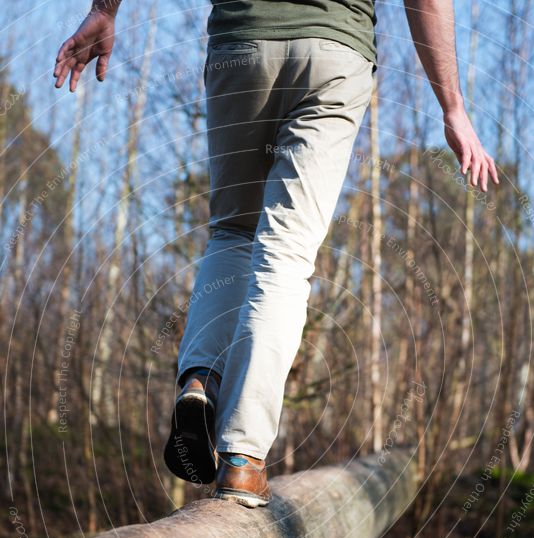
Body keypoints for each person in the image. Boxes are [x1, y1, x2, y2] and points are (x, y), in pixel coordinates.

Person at [54, 0, 498, 508]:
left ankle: (201, 379)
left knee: (234, 233)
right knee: (285, 252)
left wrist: (105, 10)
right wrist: (452, 106)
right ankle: (243, 459)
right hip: (335, 51)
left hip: (240, 43)